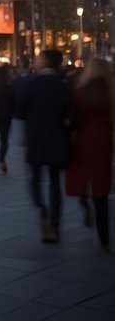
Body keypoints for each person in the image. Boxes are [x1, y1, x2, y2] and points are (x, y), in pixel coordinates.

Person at [17, 49, 76, 244]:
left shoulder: (29, 85)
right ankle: (55, 223)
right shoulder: (64, 86)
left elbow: (19, 111)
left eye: (38, 59)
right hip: (58, 140)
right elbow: (74, 116)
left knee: (34, 179)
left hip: (35, 139)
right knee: (54, 183)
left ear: (44, 62)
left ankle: (41, 208)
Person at [66, 58, 113, 251]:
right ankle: (104, 238)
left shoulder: (79, 92)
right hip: (104, 140)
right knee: (101, 186)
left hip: (83, 139)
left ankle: (84, 203)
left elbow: (72, 117)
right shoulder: (110, 92)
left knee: (80, 176)